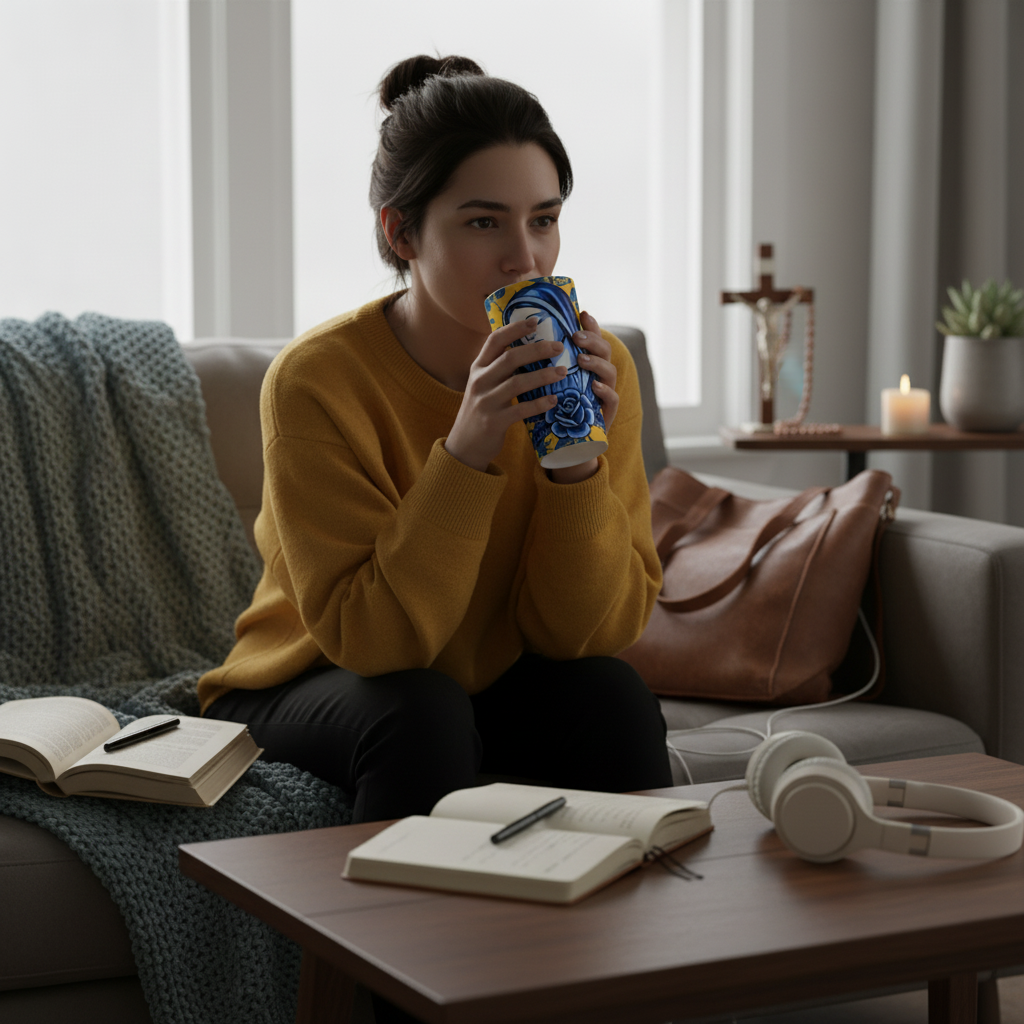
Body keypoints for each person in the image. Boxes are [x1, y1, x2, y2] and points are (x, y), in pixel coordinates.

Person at [200, 54, 672, 829]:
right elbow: (373, 641)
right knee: (420, 709)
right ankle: (397, 952)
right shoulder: (317, 380)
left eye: (544, 220)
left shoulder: (599, 367)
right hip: (308, 679)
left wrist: (574, 466)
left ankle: (636, 942)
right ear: (402, 231)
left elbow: (584, 635)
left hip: (482, 680)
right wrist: (466, 452)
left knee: (611, 695)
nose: (526, 259)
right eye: (485, 222)